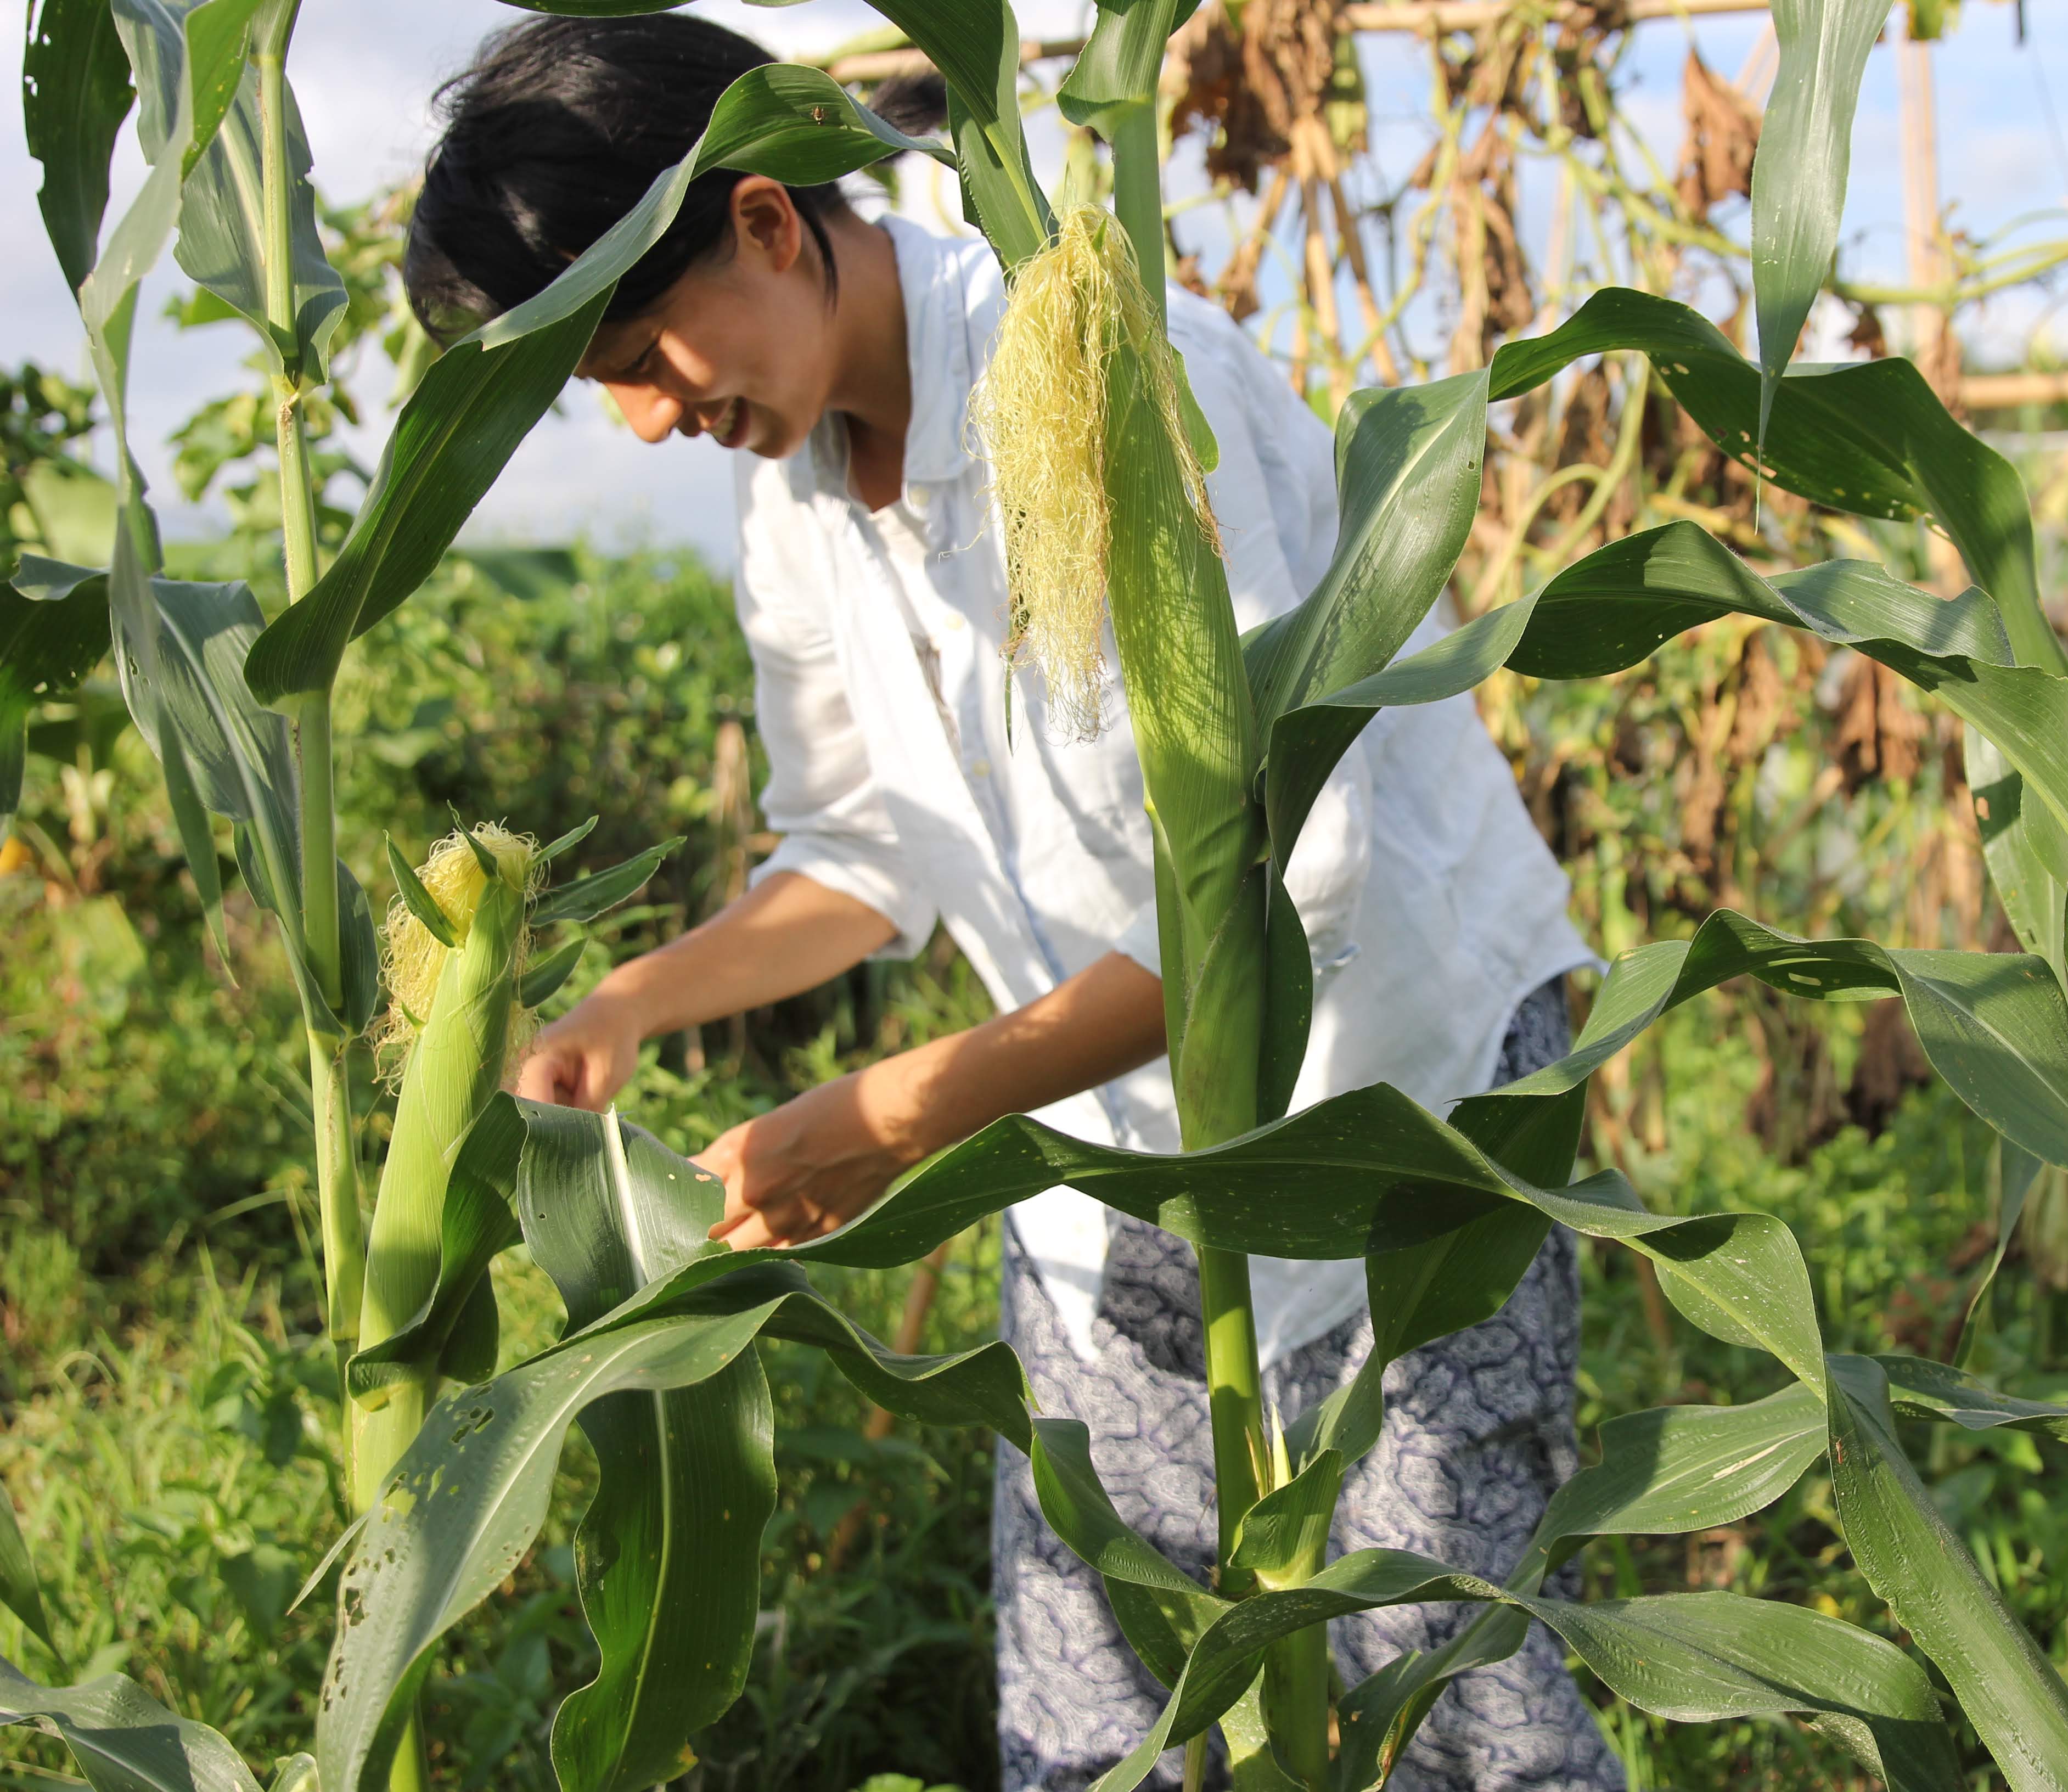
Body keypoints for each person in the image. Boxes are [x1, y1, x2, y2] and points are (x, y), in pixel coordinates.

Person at [405, 18, 1617, 1791]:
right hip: (1087, 1157)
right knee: (1090, 1718)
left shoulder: (1125, 388)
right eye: (601, 388)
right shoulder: (803, 497)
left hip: (1396, 1122)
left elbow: (1280, 898)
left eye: (639, 351)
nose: (651, 417)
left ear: (764, 222)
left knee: (1452, 1696)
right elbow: (861, 848)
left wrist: (900, 1116)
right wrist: (631, 1003)